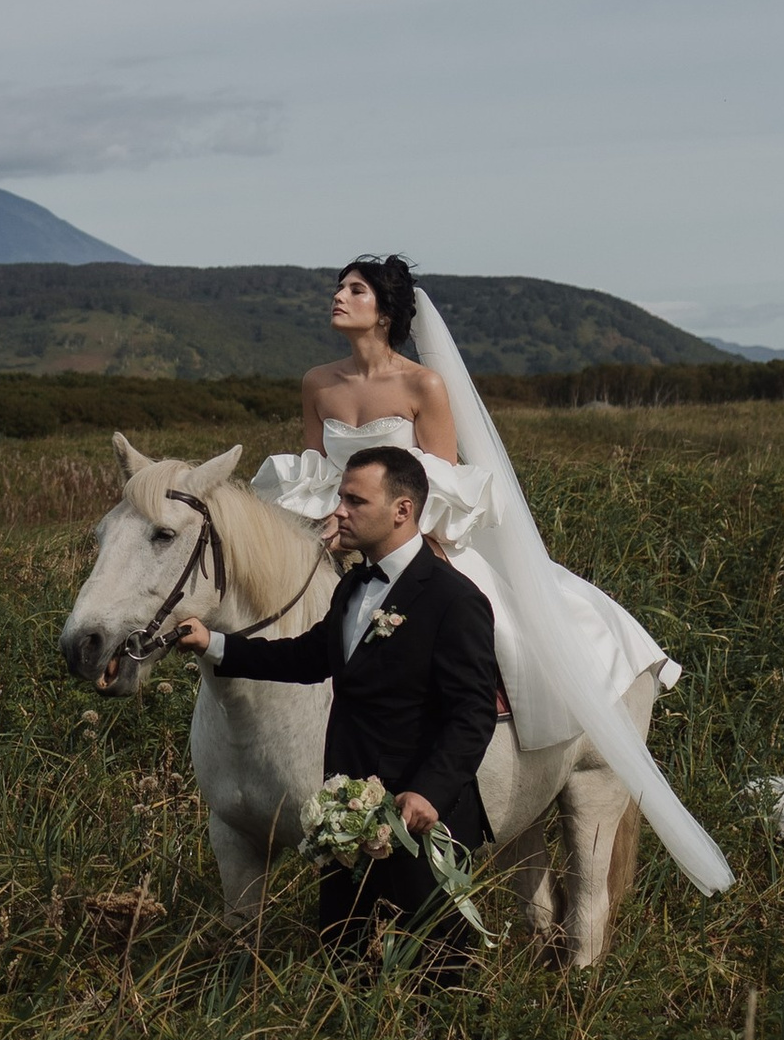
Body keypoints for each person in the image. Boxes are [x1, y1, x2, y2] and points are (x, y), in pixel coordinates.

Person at [247, 256, 733, 900]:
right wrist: (325, 529)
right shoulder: (318, 382)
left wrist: (409, 546)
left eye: (354, 289)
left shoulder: (423, 385)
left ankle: (521, 743)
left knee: (490, 622)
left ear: (385, 313)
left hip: (420, 532)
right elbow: (314, 474)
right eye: (339, 287)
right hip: (346, 531)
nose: (338, 296)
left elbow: (442, 480)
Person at [175, 445, 499, 976]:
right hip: (347, 820)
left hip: (419, 824)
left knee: (434, 976)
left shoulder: (454, 599)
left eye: (355, 501)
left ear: (402, 510)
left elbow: (472, 714)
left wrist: (429, 793)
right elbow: (309, 657)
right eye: (340, 498)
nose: (338, 511)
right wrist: (216, 645)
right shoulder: (352, 586)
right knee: (346, 968)